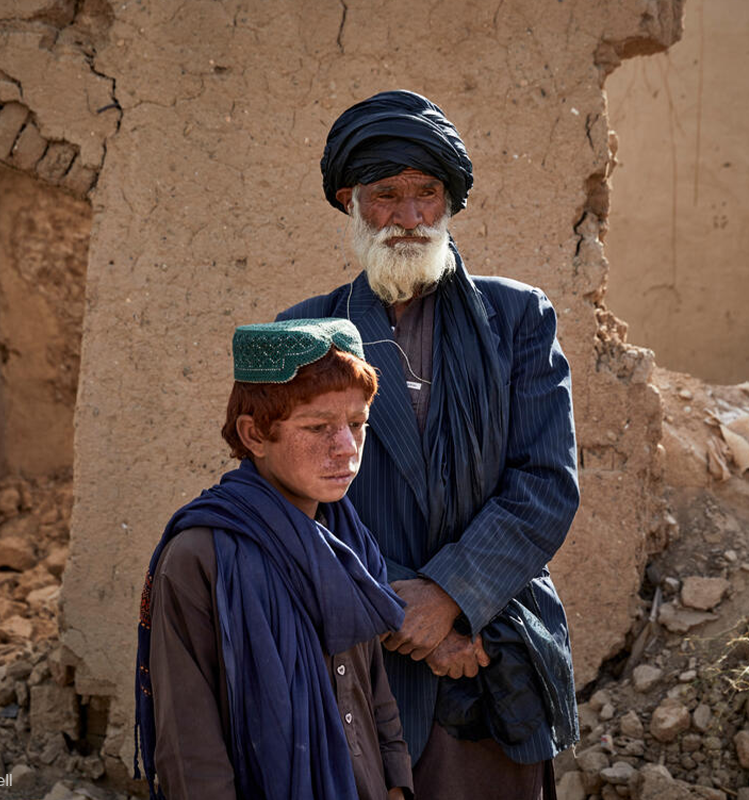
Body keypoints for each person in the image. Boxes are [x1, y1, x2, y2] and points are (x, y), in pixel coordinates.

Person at [277, 90, 580, 799]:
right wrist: (399, 612)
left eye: (427, 195)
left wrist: (450, 594)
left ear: (450, 201)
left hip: (485, 650)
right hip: (352, 653)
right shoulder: (303, 331)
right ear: (351, 200)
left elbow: (546, 483)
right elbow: (286, 503)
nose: (410, 218)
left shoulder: (518, 318)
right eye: (388, 197)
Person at [133, 318, 415, 800]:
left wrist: (396, 785)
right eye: (318, 427)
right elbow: (188, 743)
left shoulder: (348, 539)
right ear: (255, 434)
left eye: (356, 424)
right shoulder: (201, 557)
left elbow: (371, 695)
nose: (346, 448)